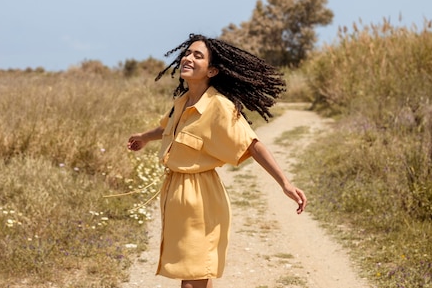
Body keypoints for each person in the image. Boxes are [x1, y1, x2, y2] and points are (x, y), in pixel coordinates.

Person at [127, 33, 307, 288]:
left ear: (212, 71)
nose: (188, 58)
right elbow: (167, 129)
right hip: (176, 193)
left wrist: (285, 184)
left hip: (201, 198)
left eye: (197, 56)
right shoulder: (182, 101)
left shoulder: (220, 107)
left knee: (192, 277)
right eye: (187, 53)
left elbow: (253, 146)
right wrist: (144, 137)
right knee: (197, 275)